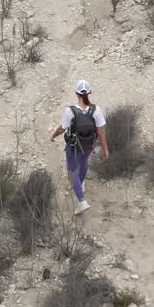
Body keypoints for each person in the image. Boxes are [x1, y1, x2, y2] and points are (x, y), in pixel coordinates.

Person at [50, 79, 108, 215]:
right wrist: (105, 149)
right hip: (89, 145)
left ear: (76, 93)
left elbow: (62, 129)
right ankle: (80, 185)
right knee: (83, 164)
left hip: (73, 146)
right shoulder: (96, 110)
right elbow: (100, 132)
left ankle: (82, 201)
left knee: (71, 173)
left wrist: (53, 135)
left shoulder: (70, 111)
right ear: (90, 92)